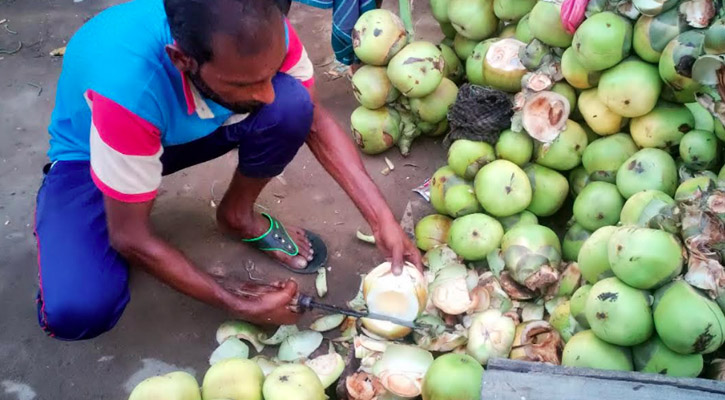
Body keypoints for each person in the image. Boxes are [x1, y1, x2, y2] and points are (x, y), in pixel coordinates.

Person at [34, 0, 420, 341]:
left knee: (291, 107)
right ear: (182, 59)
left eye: (268, 73)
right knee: (78, 308)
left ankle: (237, 216)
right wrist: (230, 297)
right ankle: (68, 212)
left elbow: (313, 120)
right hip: (93, 154)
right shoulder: (128, 88)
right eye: (246, 82)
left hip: (174, 131)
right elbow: (128, 235)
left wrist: (381, 219)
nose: (265, 93)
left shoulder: (259, 32)